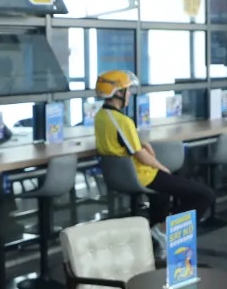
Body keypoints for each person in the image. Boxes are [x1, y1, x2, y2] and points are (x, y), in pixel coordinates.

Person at [92, 70, 215, 238]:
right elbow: (140, 155)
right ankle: (164, 230)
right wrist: (163, 169)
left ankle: (156, 237)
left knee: (163, 194)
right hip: (142, 175)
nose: (130, 94)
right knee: (205, 195)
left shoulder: (100, 117)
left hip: (122, 174)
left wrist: (142, 145)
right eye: (128, 90)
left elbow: (120, 143)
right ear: (118, 92)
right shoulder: (122, 121)